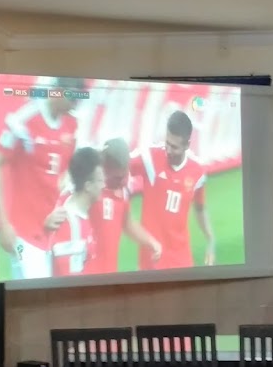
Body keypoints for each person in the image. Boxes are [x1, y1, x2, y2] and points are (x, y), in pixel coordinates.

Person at [0, 94, 79, 279]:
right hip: (23, 233)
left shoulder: (72, 123)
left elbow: (68, 168)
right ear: (58, 91)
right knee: (33, 287)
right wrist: (3, 224)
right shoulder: (24, 119)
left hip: (54, 232)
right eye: (72, 99)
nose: (75, 105)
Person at [130, 110, 215, 270]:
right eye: (167, 143)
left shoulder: (198, 171)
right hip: (152, 258)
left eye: (174, 147)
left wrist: (210, 237)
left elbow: (200, 207)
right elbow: (118, 165)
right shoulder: (149, 157)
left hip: (181, 258)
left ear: (187, 145)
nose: (168, 150)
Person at [86, 137, 162, 274]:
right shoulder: (88, 187)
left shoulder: (124, 187)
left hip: (110, 273)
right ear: (104, 169)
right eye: (117, 178)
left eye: (125, 175)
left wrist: (151, 242)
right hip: (86, 274)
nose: (122, 181)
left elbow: (126, 222)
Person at [48, 147, 105, 276]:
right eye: (100, 181)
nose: (104, 185)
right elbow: (71, 280)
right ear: (88, 186)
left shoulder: (71, 201)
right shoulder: (72, 227)